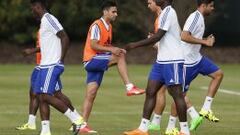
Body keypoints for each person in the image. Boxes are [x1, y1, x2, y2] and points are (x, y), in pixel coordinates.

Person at [123, 0, 190, 134]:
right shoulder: (163, 13)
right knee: (151, 92)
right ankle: (143, 129)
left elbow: (158, 36)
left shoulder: (169, 12)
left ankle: (185, 131)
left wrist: (134, 45)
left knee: (177, 94)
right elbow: (160, 37)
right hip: (161, 61)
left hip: (173, 60)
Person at [80, 0, 145, 133]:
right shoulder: (97, 25)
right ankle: (129, 87)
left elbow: (106, 47)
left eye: (116, 12)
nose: (116, 14)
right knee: (119, 56)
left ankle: (82, 125)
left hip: (98, 60)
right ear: (105, 12)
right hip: (91, 60)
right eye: (113, 11)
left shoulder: (109, 27)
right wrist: (114, 51)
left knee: (91, 94)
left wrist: (117, 49)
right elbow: (93, 45)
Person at [164, 0, 223, 133]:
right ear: (203, 5)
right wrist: (204, 41)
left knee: (218, 74)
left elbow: (192, 37)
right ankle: (171, 127)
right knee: (180, 96)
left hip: (197, 59)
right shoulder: (195, 17)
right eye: (211, 6)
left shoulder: (200, 18)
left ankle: (206, 109)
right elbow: (184, 36)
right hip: (187, 64)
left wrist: (204, 40)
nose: (213, 9)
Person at [30, 0, 84, 135]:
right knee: (44, 96)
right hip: (45, 66)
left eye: (33, 8)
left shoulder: (49, 19)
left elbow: (65, 37)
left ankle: (76, 118)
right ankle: (45, 131)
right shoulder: (43, 22)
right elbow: (48, 44)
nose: (32, 11)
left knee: (45, 96)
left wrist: (61, 61)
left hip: (52, 65)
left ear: (38, 6)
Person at [16, 32, 80, 132]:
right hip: (41, 66)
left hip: (50, 66)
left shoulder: (51, 27)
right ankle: (34, 124)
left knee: (53, 95)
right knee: (36, 94)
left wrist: (31, 51)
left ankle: (76, 118)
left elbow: (51, 46)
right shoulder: (42, 28)